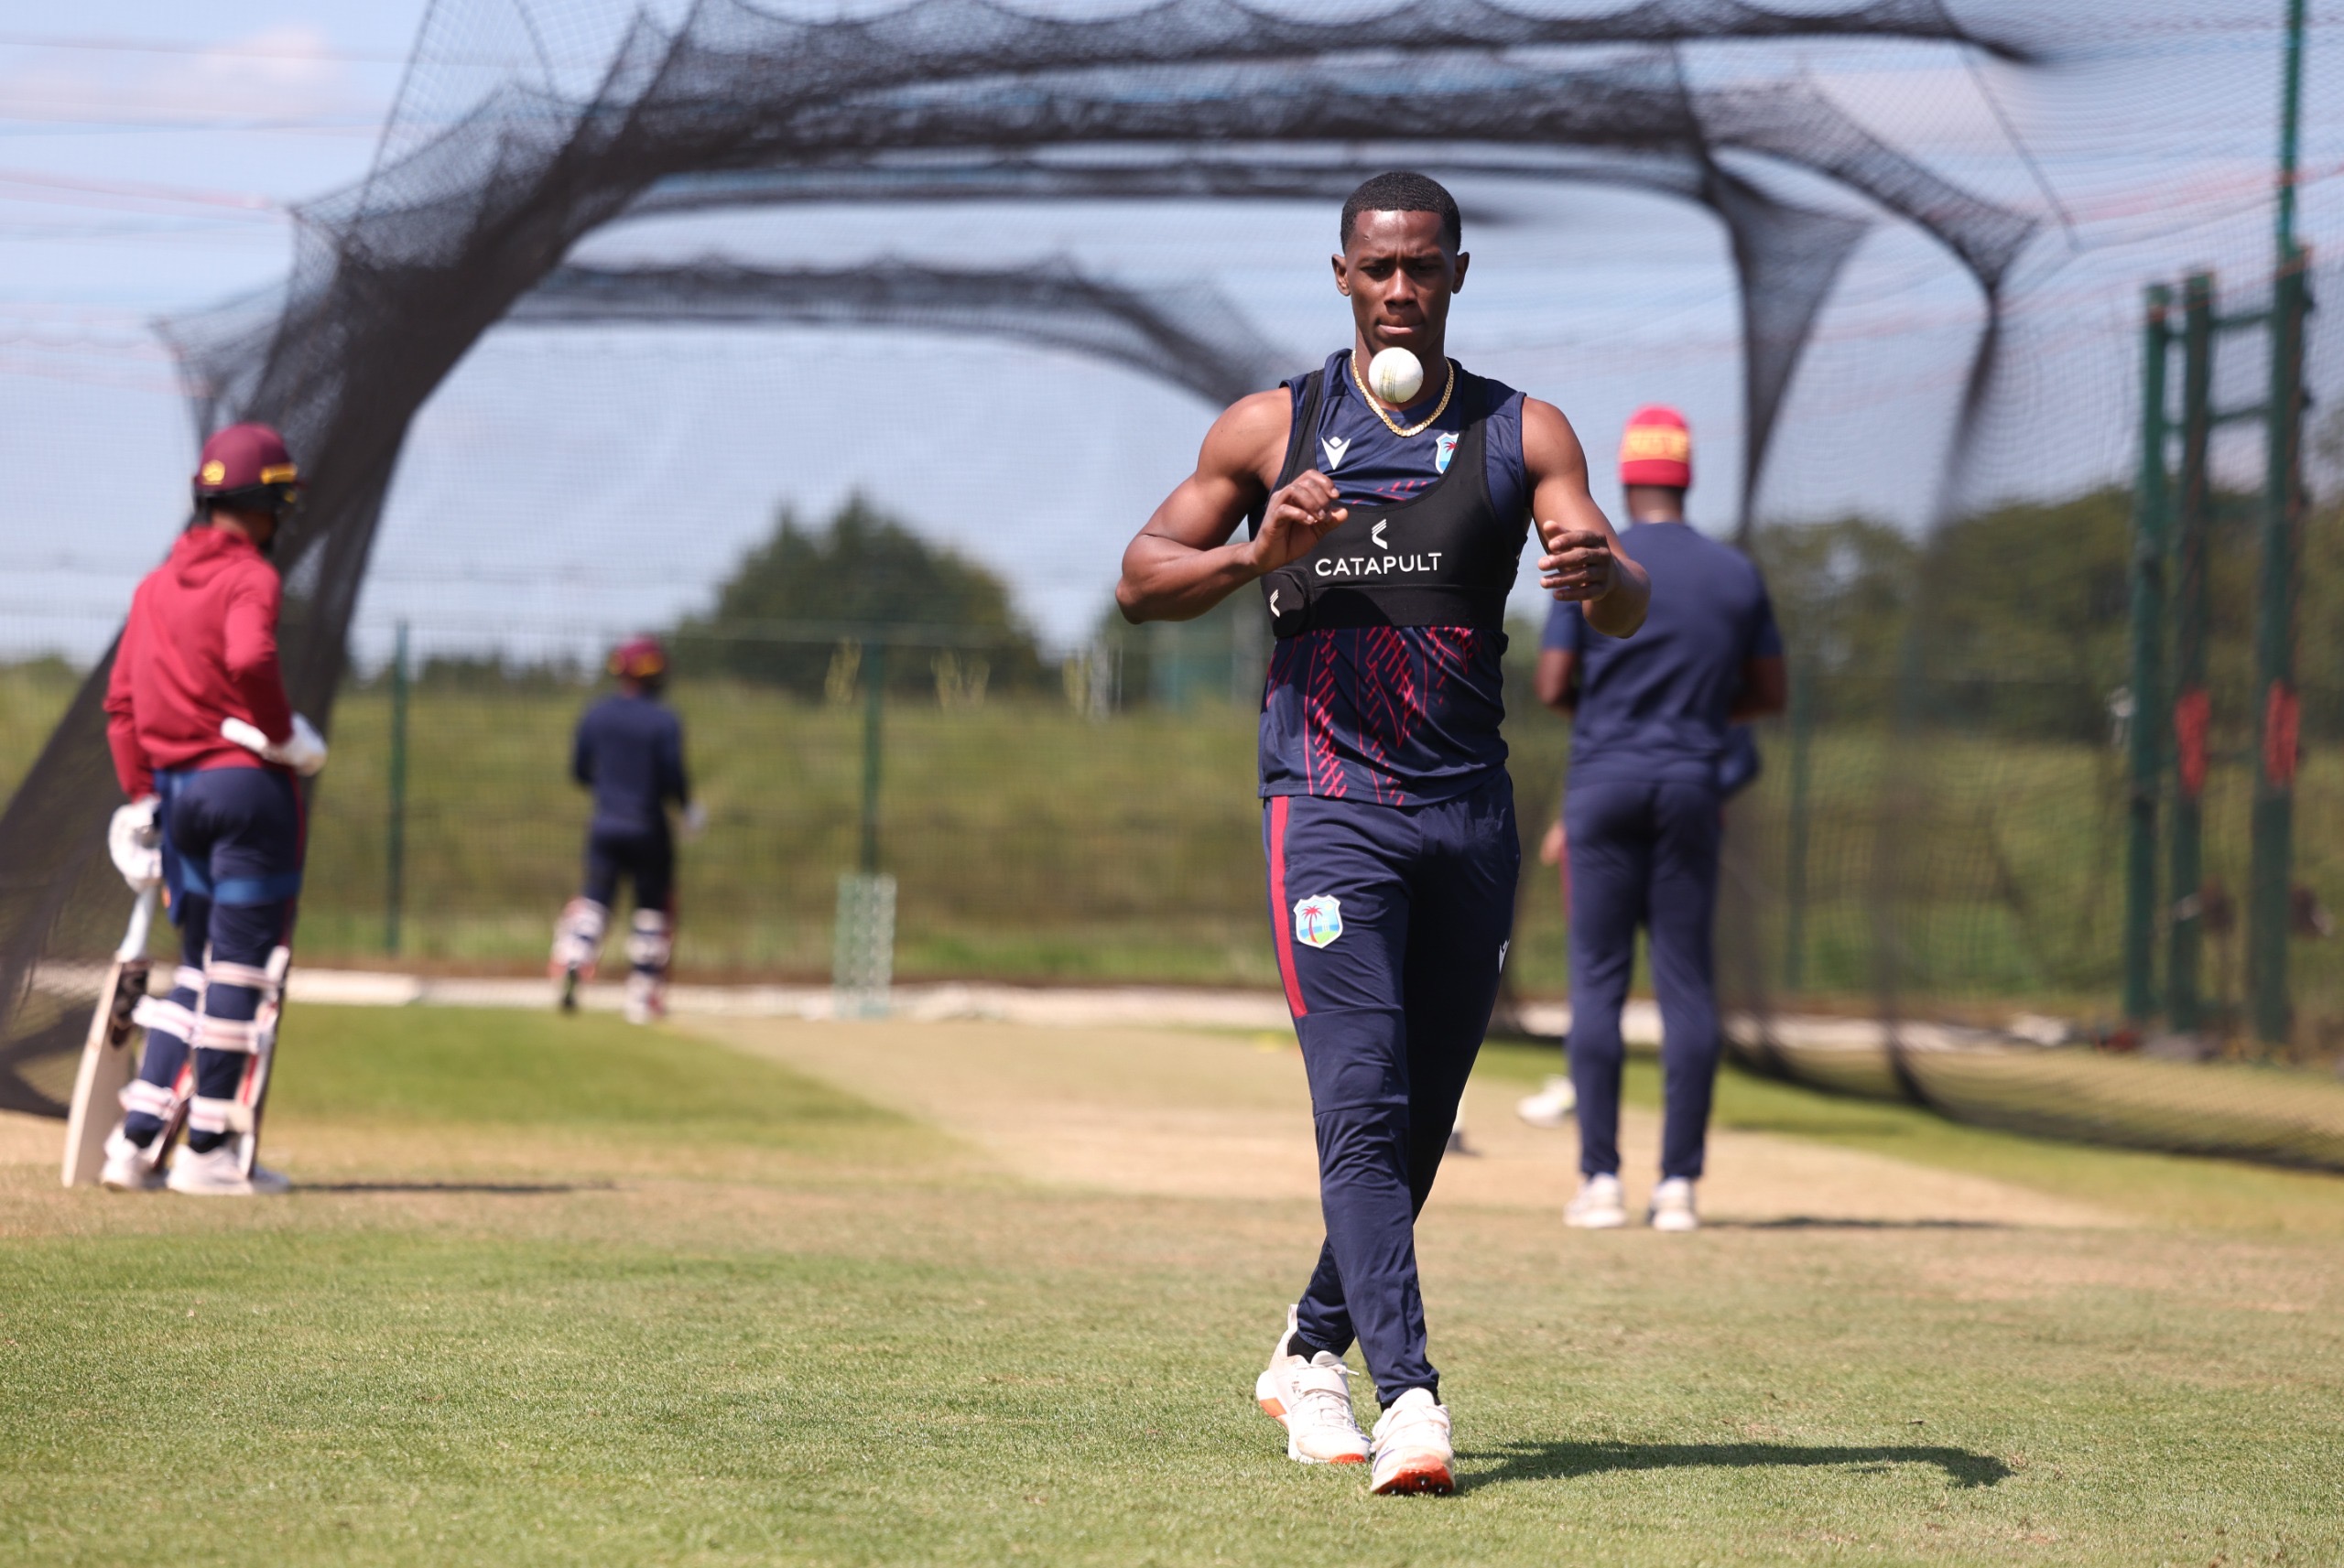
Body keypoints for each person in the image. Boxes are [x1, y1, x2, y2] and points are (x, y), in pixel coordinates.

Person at [1115, 171, 1649, 1494]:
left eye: (1422, 266)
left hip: (1468, 813)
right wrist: (1255, 557)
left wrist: (1605, 575)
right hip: (1328, 806)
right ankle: (1400, 1395)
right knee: (1362, 1098)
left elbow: (1610, 580)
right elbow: (1139, 581)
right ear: (1342, 274)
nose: (1399, 286)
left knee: (1420, 1117)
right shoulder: (1271, 426)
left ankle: (1306, 1344)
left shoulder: (1523, 433)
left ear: (1458, 275)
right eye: (1377, 265)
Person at [1536, 406, 1787, 1233]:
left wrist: (1607, 709)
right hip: (1690, 782)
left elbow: (1550, 684)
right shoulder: (1735, 573)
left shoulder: (1599, 555)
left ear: (1627, 476)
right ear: (1686, 474)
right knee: (1684, 981)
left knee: (1598, 982)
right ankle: (1677, 1187)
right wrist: (1703, 717)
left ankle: (1600, 1181)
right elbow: (1769, 696)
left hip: (1604, 780)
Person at [98, 421, 325, 1197]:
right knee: (239, 971)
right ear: (266, 507)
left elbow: (122, 703)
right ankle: (209, 1150)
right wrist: (282, 733)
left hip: (177, 794)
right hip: (244, 789)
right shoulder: (251, 577)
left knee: (193, 967)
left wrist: (140, 796)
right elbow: (251, 657)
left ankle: (133, 1141)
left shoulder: (153, 586)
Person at [548, 635, 696, 1022]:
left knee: (596, 898)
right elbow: (673, 776)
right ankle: (642, 997)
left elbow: (580, 770)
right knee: (650, 910)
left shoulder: (596, 714)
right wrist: (687, 809)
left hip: (605, 824)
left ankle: (576, 955)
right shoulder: (663, 720)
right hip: (648, 827)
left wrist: (609, 792)